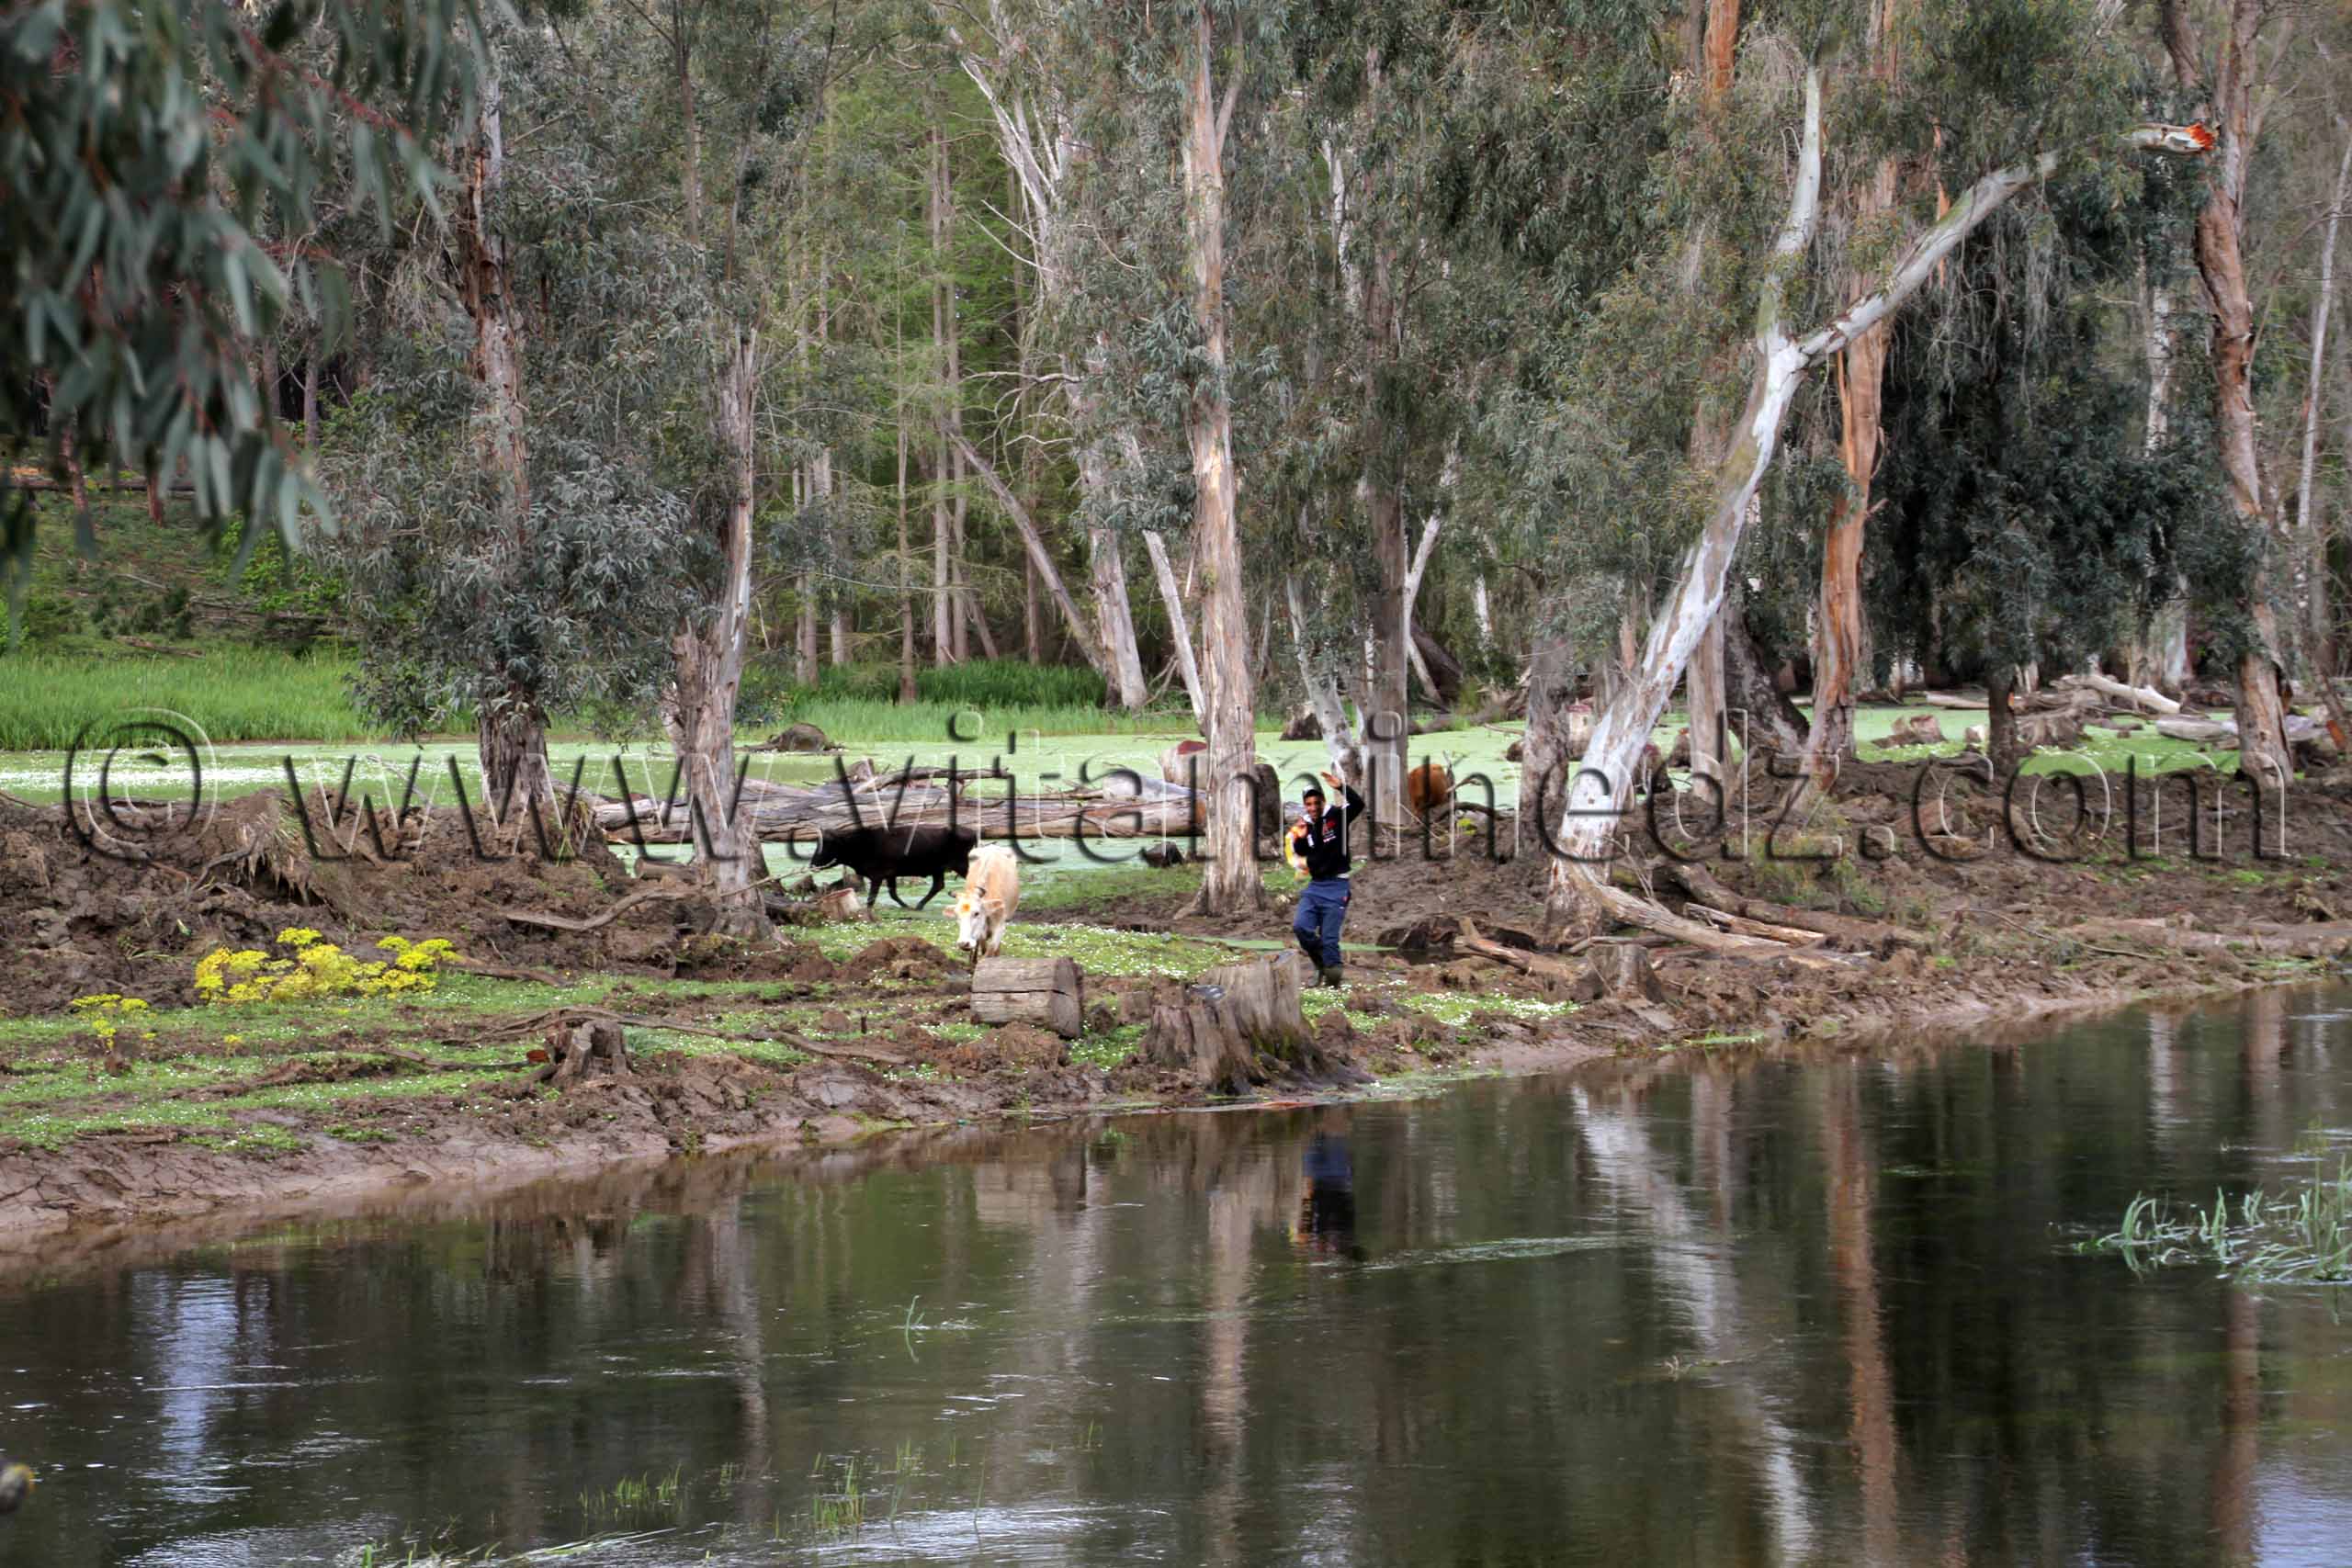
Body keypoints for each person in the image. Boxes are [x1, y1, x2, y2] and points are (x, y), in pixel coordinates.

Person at [1289, 769, 1364, 988]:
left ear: (1322, 801)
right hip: (1315, 887)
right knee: (1301, 927)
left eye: (1316, 803)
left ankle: (1334, 986)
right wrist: (1299, 837)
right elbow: (1302, 850)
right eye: (1308, 804)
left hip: (1337, 886)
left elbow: (1358, 804)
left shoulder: (1336, 817)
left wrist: (1340, 786)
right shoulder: (1307, 825)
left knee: (1330, 939)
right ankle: (1321, 964)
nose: (1312, 808)